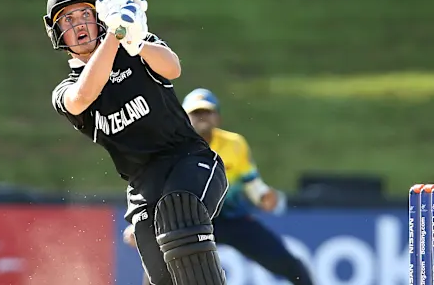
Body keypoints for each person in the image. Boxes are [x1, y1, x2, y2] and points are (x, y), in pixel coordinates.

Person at [45, 0, 229, 285]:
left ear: (97, 17)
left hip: (188, 160)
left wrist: (136, 41)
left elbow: (173, 68)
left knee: (179, 212)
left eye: (84, 14)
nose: (79, 24)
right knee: (162, 277)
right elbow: (83, 97)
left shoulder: (134, 45)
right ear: (56, 32)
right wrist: (115, 37)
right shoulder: (65, 90)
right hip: (142, 187)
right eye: (68, 19)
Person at [123, 88, 315, 285]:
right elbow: (155, 189)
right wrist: (139, 224)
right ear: (183, 117)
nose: (202, 117)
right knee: (160, 270)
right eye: (196, 113)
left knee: (290, 264)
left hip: (233, 220)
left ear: (218, 117)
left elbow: (251, 182)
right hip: (189, 219)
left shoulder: (235, 144)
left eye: (207, 112)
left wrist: (263, 196)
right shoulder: (170, 146)